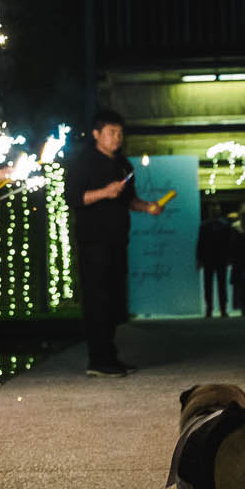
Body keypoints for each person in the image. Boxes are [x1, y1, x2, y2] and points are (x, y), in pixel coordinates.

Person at [62, 109, 166, 376]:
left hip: (118, 238)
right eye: (111, 132)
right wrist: (104, 192)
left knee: (114, 299)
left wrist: (147, 207)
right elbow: (73, 197)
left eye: (120, 133)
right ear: (97, 134)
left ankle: (110, 354)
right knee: (97, 299)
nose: (117, 138)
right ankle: (98, 359)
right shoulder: (82, 162)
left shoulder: (124, 165)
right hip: (93, 240)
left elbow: (128, 199)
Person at [196, 211, 233, 317]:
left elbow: (200, 243)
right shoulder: (224, 225)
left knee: (209, 284)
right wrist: (229, 257)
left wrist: (199, 258)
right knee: (221, 285)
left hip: (209, 258)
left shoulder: (204, 226)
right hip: (220, 258)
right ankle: (222, 308)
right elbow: (228, 243)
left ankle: (210, 308)